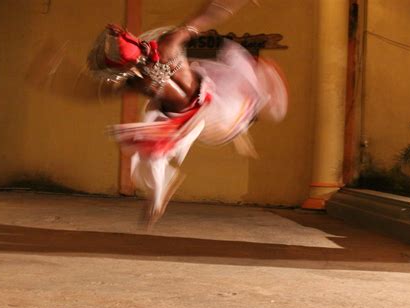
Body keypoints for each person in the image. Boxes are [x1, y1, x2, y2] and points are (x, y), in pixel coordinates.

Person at [88, 0, 288, 228]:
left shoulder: (157, 62)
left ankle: (160, 188)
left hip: (214, 110)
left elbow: (208, 16)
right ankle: (160, 189)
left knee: (154, 105)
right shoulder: (161, 55)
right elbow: (208, 15)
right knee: (152, 136)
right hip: (207, 106)